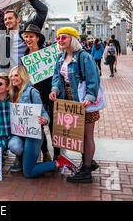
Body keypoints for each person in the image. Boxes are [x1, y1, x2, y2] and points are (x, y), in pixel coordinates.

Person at [49, 27, 101, 183]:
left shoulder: (84, 57)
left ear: (73, 39)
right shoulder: (60, 57)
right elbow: (57, 78)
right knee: (78, 134)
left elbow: (94, 79)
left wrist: (90, 97)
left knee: (87, 135)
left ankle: (86, 171)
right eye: (58, 38)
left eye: (63, 37)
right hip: (68, 101)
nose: (60, 40)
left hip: (84, 101)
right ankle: (88, 161)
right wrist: (55, 90)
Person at [7, 66, 77, 177]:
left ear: (23, 76)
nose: (13, 78)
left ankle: (60, 162)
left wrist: (45, 120)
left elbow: (43, 112)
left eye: (16, 75)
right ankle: (24, 162)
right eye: (11, 75)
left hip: (33, 134)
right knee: (14, 146)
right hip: (19, 133)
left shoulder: (32, 92)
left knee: (29, 173)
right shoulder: (11, 93)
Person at [20, 24, 57, 161]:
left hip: (49, 92)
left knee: (53, 124)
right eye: (26, 37)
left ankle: (57, 154)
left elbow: (55, 73)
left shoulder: (47, 53)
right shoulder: (25, 56)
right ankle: (45, 151)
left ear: (37, 38)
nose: (28, 39)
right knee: (38, 124)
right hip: (34, 94)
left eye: (31, 36)